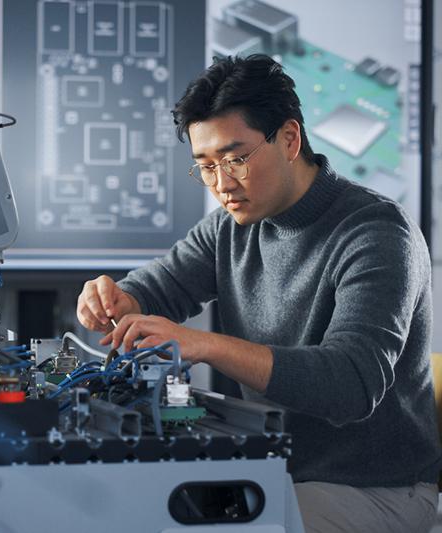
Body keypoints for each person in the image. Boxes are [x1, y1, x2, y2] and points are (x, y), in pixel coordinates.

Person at [76, 54, 441, 533]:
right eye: (205, 166)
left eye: (236, 159)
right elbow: (160, 286)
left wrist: (205, 345)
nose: (222, 184)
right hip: (273, 469)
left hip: (377, 488)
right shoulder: (231, 228)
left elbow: (352, 385)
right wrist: (118, 298)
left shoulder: (376, 233)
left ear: (289, 139)